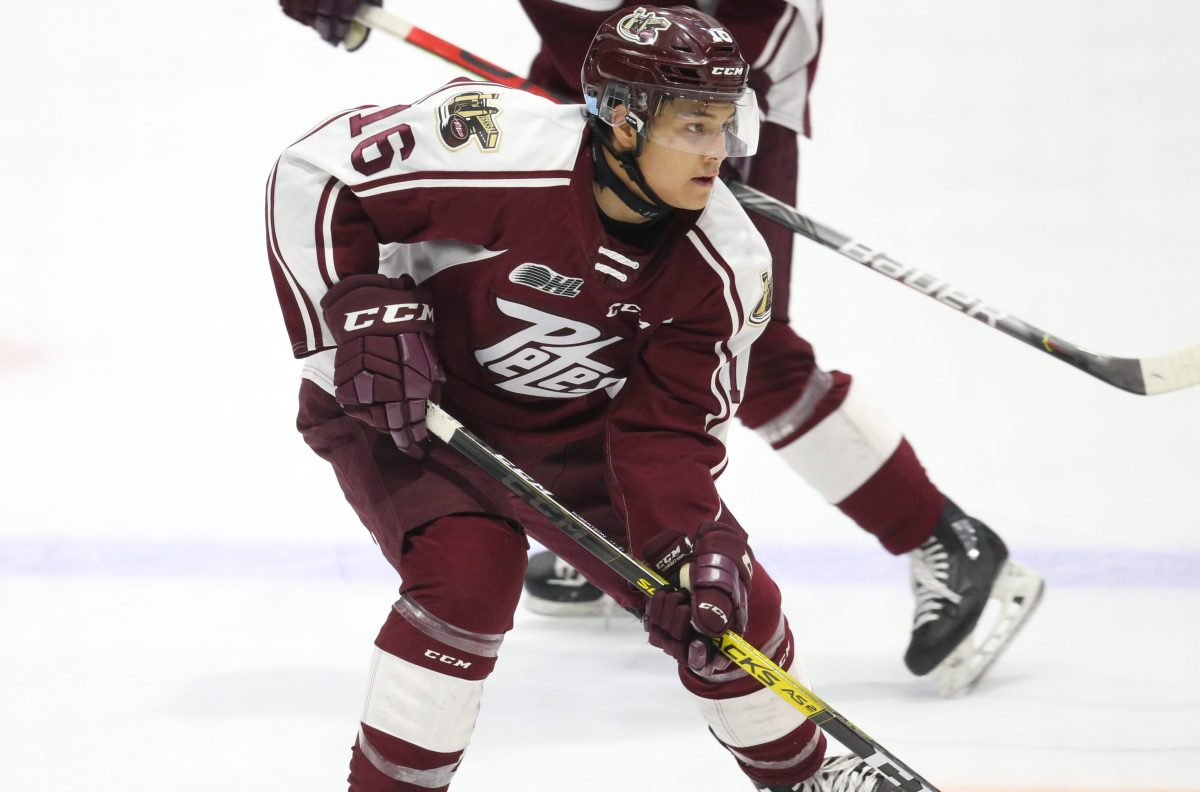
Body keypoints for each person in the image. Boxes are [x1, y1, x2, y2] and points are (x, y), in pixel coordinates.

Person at [278, 1, 1044, 699]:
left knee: (731, 332)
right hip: (605, 67)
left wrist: (708, 128)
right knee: (569, 287)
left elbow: (775, 22)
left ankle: (945, 535)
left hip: (714, 70)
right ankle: (617, 538)